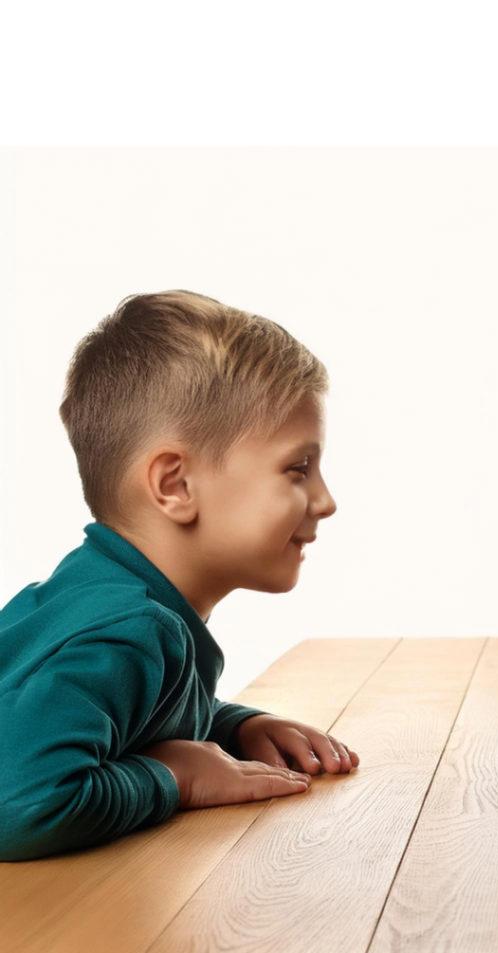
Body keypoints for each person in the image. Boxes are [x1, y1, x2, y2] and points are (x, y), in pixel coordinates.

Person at [0, 290, 359, 861]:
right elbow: (17, 802)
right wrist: (174, 776)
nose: (326, 500)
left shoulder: (105, 595)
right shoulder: (128, 633)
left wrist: (233, 727)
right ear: (175, 486)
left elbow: (119, 717)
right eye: (298, 468)